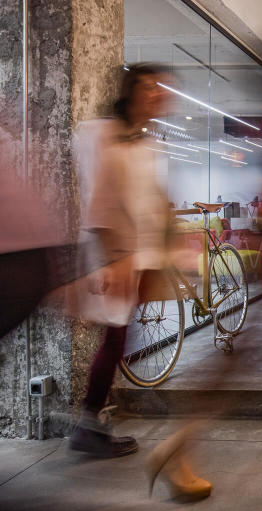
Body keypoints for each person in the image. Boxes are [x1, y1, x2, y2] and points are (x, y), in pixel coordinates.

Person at [68, 64, 176, 460]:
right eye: (151, 87)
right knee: (114, 337)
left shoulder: (146, 141)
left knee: (118, 335)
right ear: (131, 91)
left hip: (135, 255)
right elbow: (101, 200)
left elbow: (148, 198)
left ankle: (92, 422)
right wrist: (114, 259)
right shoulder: (106, 135)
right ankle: (88, 424)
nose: (160, 94)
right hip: (117, 255)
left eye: (162, 88)